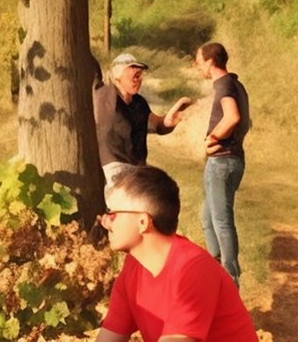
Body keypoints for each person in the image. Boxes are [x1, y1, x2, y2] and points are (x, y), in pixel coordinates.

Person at [95, 165, 257, 342]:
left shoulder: (193, 268)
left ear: (143, 222)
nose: (105, 222)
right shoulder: (133, 269)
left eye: (112, 214)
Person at [194, 42, 251, 286]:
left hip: (222, 162)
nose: (197, 67)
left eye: (198, 62)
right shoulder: (236, 84)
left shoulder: (224, 85)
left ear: (209, 62)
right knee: (207, 218)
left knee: (221, 221)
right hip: (232, 160)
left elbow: (233, 117)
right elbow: (245, 122)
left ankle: (230, 281)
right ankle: (216, 269)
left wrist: (213, 138)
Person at [94, 53, 193, 186]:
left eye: (140, 75)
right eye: (135, 75)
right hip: (112, 168)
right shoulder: (104, 97)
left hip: (136, 168)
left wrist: (168, 121)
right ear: (117, 76)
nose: (139, 79)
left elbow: (158, 125)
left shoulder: (139, 103)